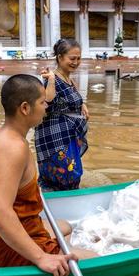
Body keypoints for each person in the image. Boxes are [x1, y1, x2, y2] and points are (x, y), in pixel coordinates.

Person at [0, 74, 95, 276]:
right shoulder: (13, 148)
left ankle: (61, 248)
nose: (46, 107)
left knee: (65, 226)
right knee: (97, 258)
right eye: (43, 102)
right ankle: (52, 253)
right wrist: (41, 257)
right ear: (25, 108)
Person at [35, 39, 89, 191]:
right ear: (60, 57)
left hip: (68, 136)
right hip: (55, 138)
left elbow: (73, 97)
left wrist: (82, 105)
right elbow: (47, 102)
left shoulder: (68, 78)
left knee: (72, 173)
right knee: (62, 174)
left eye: (78, 58)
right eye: (72, 58)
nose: (76, 62)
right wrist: (51, 80)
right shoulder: (51, 78)